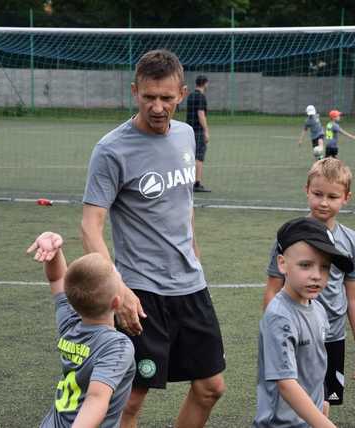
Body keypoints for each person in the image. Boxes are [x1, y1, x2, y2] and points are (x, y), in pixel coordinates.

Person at [81, 49, 226, 428]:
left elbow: (184, 204)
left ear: (181, 94)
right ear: (135, 92)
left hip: (190, 285)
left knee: (211, 387)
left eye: (166, 98)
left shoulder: (184, 135)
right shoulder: (111, 150)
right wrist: (119, 289)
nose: (158, 107)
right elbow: (89, 227)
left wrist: (195, 256)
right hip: (141, 291)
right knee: (129, 400)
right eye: (149, 97)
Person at [262, 158, 355, 418]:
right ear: (306, 190)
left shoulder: (350, 240)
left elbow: (353, 296)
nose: (323, 202)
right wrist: (272, 335)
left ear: (346, 198)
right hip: (298, 336)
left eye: (332, 196)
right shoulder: (289, 236)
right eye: (318, 194)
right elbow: (272, 288)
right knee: (292, 400)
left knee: (323, 403)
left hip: (332, 337)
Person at [26, 232, 135, 428]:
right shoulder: (117, 345)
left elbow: (56, 278)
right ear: (117, 302)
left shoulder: (69, 322)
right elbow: (95, 399)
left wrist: (55, 252)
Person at [253, 217, 351, 428]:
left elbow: (316, 361)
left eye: (324, 267)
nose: (317, 276)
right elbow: (286, 384)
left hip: (308, 420)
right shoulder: (280, 317)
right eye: (305, 265)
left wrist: (323, 397)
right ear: (282, 264)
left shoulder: (317, 308)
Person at [186, 75, 211, 192]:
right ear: (205, 83)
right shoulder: (201, 97)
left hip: (189, 130)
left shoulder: (190, 96)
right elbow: (201, 114)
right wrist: (206, 131)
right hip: (198, 131)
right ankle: (197, 183)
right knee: (199, 157)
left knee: (189, 157)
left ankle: (188, 181)